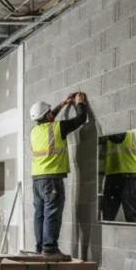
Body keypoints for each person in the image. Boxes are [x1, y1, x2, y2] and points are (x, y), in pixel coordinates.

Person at [29, 92, 88, 260]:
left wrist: (62, 104)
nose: (52, 114)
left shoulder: (34, 131)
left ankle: (41, 248)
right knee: (52, 213)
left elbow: (48, 117)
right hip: (52, 178)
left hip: (37, 178)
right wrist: (80, 103)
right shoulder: (58, 128)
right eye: (50, 112)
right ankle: (50, 249)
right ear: (47, 115)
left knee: (40, 214)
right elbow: (81, 119)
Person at [102, 130, 136, 223]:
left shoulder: (122, 129)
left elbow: (114, 137)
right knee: (106, 217)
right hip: (115, 174)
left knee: (133, 217)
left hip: (130, 174)